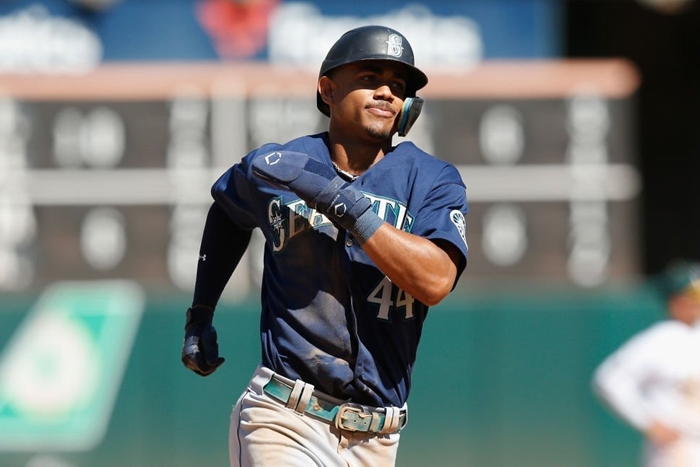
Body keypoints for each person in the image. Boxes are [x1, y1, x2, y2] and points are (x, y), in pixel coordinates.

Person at [181, 25, 469, 467]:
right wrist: (201, 313)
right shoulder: (283, 166)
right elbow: (227, 211)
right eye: (370, 78)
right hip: (284, 417)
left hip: (378, 437)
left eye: (398, 85)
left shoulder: (431, 179)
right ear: (328, 89)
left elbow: (436, 281)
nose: (386, 92)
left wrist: (345, 204)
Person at [592, 260, 700, 467]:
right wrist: (647, 421)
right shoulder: (661, 339)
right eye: (693, 296)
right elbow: (609, 379)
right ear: (676, 301)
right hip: (677, 448)